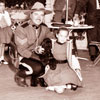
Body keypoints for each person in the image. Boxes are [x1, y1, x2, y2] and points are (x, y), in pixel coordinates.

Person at [14, 2, 53, 87]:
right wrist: (37, 57)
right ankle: (20, 74)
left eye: (41, 15)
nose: (39, 17)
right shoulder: (22, 28)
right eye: (36, 14)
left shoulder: (45, 27)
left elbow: (52, 40)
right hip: (24, 56)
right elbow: (22, 50)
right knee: (38, 68)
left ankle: (38, 77)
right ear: (31, 15)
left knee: (52, 63)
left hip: (39, 55)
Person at [42, 27, 82, 93]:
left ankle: (62, 86)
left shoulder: (68, 45)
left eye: (65, 36)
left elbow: (73, 58)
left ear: (67, 36)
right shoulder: (52, 44)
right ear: (57, 35)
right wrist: (47, 64)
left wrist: (77, 69)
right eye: (61, 36)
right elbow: (47, 56)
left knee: (73, 81)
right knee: (59, 90)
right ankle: (62, 86)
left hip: (66, 66)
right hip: (54, 66)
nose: (63, 38)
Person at [0, 0, 12, 64]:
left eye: (3, 5)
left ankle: (1, 58)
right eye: (0, 6)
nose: (2, 7)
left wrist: (4, 16)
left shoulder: (6, 13)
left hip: (4, 30)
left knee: (3, 44)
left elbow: (9, 23)